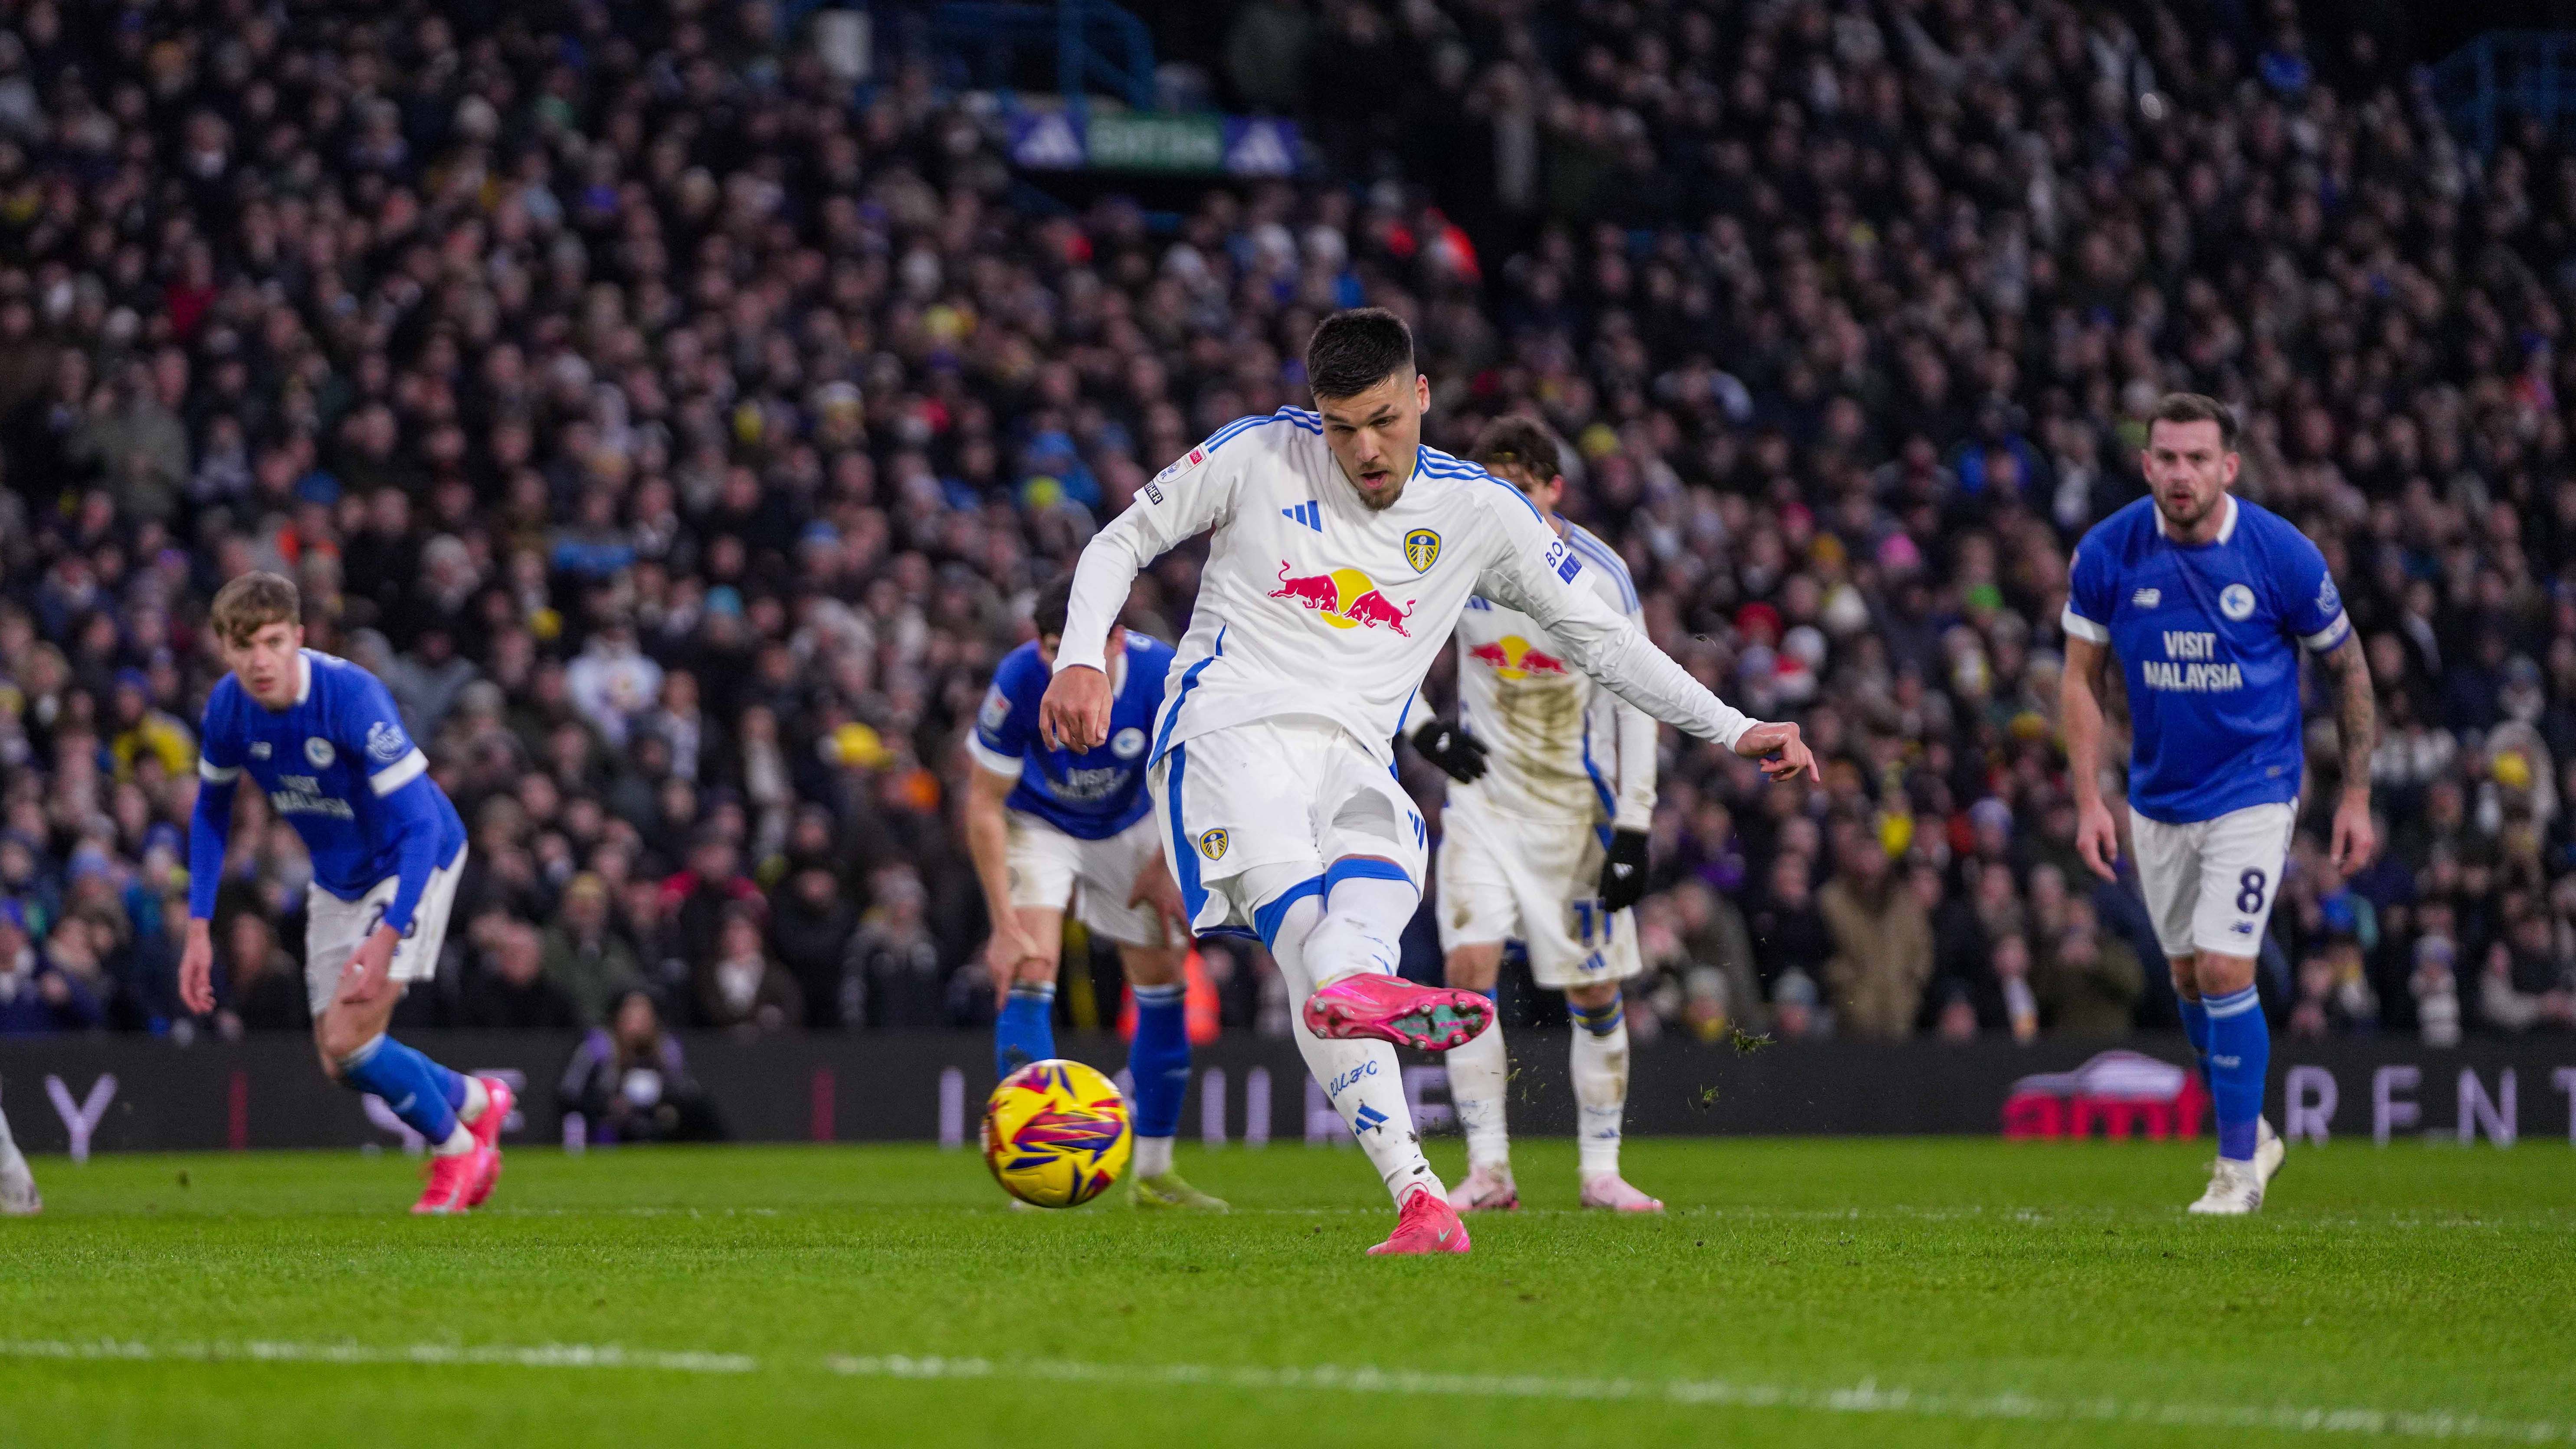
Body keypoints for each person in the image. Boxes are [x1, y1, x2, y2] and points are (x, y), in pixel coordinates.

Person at [1040, 308, 1812, 1253]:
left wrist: (1734, 727)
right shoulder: (1255, 453)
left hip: (1356, 759)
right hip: (1228, 730)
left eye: (1381, 420)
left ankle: (1420, 1195)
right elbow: (1119, 540)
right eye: (1339, 426)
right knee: (1308, 942)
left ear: (1421, 396)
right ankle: (1361, 992)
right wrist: (1079, 656)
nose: (1363, 448)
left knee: (1359, 919)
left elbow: (1603, 639)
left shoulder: (1478, 511)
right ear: (1313, 414)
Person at [2061, 394, 2376, 1214]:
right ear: (2146, 464)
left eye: (2197, 458)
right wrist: (2088, 798)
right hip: (2157, 799)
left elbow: (2347, 670)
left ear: (2227, 467)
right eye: (2166, 457)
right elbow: (2079, 680)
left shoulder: (2280, 555)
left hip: (2255, 788)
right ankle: (2255, 1131)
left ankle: (2237, 1167)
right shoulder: (2108, 552)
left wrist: (2356, 795)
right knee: (2189, 981)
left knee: (2225, 965)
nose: (2180, 473)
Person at [180, 572, 515, 1214]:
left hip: (415, 860)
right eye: (243, 644)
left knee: (351, 1036)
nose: (259, 660)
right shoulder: (227, 708)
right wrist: (198, 927)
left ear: (298, 637)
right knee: (343, 1059)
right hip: (338, 876)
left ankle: (458, 1151)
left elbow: (419, 822)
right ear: (223, 647)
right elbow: (211, 813)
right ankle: (479, 1101)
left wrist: (388, 931)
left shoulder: (352, 697)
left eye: (273, 641)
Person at [1409, 416, 1666, 1215]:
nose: (1504, 503)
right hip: (1483, 804)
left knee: (1593, 994)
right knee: (1465, 978)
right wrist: (1425, 728)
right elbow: (1382, 643)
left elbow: (1640, 700)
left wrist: (1633, 822)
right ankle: (1489, 1172)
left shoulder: (1597, 575)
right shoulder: (1455, 555)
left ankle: (1599, 1171)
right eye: (1491, 487)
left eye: (1519, 487)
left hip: (1572, 816)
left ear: (1553, 489)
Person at [963, 574, 1222, 1211]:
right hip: (1040, 823)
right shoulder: (1020, 678)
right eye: (1048, 647)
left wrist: (1168, 862)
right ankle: (1038, 1170)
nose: (1055, 661)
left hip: (1134, 822)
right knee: (1030, 962)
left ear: (1113, 638)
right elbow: (982, 803)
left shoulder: (1162, 672)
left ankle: (1155, 1175)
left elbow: (1199, 772)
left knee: (1164, 979)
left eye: (1068, 646)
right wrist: (1002, 922)